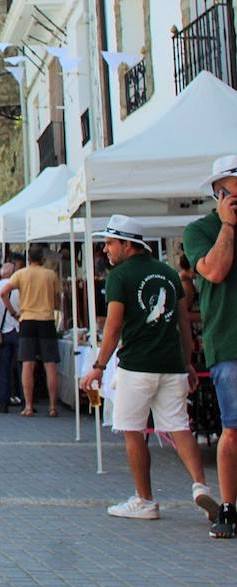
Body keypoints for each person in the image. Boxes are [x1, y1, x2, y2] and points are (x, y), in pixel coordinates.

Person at [80, 216, 218, 525]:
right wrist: (187, 362)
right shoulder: (169, 273)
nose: (105, 249)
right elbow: (183, 322)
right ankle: (200, 485)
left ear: (129, 245)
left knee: (133, 431)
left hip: (137, 366)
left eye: (110, 243)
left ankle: (144, 500)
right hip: (172, 365)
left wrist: (99, 366)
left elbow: (114, 324)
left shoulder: (120, 276)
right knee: (180, 428)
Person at [184, 155, 237, 536]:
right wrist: (228, 226)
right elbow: (215, 271)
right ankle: (230, 509)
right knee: (233, 430)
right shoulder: (199, 231)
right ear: (219, 195)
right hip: (229, 343)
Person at [1, 245, 62, 417]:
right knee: (50, 365)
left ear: (28, 258)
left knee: (28, 364)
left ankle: (28, 405)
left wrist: (14, 312)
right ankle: (52, 407)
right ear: (43, 258)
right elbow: (58, 300)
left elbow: (3, 292)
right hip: (46, 320)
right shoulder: (50, 275)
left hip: (27, 320)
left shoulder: (20, 274)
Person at [0, 259, 21, 413]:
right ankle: (25, 401)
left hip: (2, 331)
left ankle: (3, 402)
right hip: (19, 329)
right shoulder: (19, 287)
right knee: (23, 367)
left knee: (4, 368)